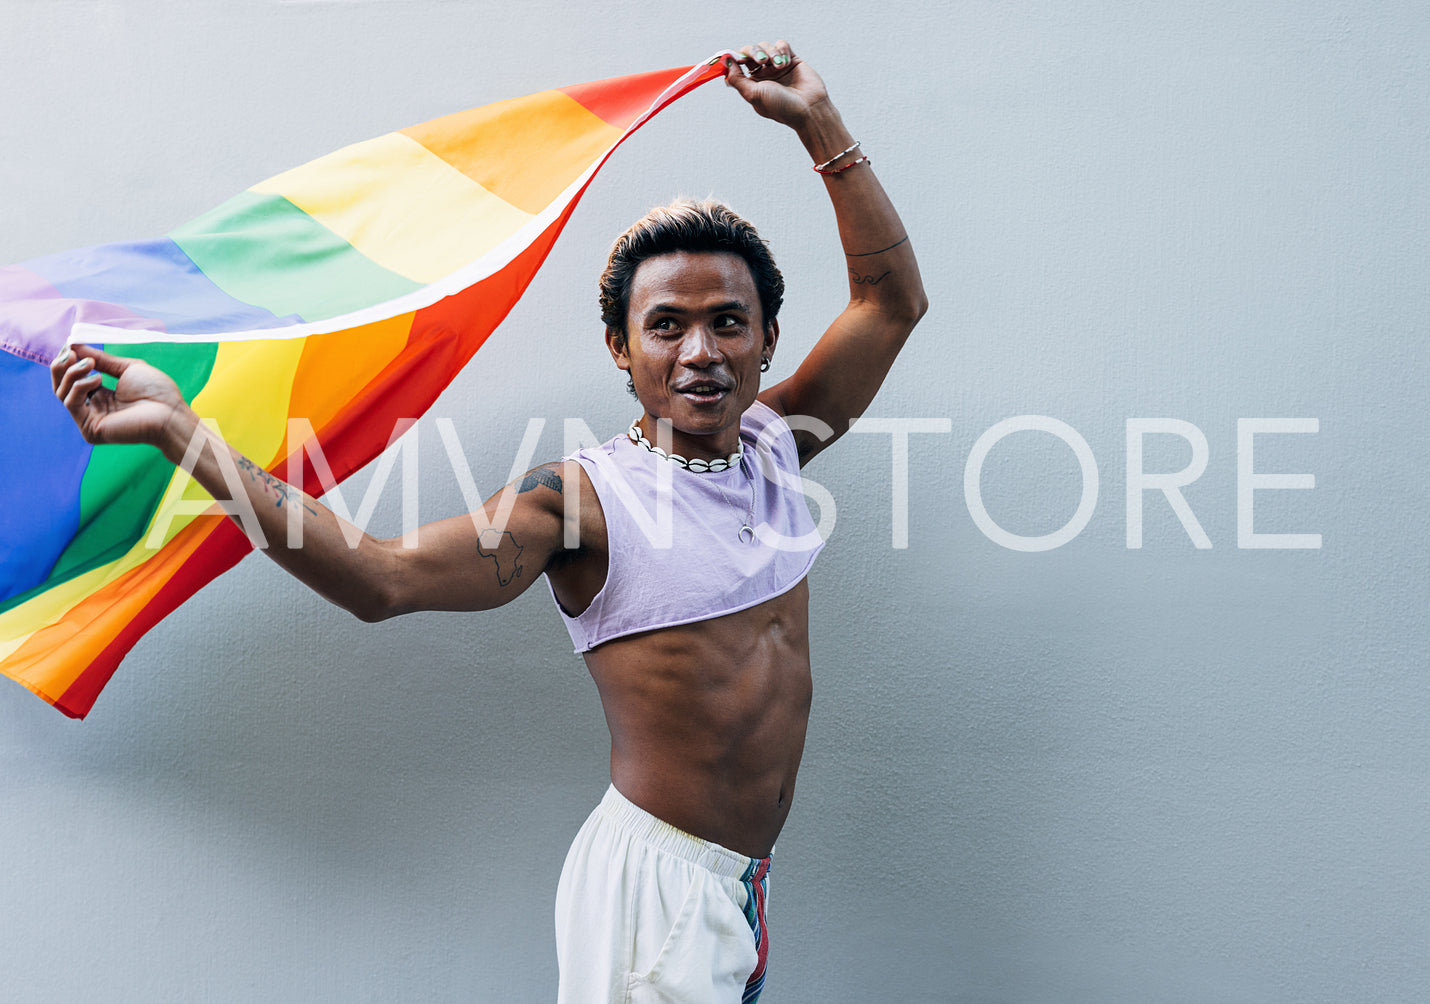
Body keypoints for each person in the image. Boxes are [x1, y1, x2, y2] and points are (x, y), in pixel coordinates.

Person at [51, 40, 925, 1003]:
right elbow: (381, 580)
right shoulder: (580, 503)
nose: (700, 350)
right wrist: (182, 433)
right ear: (620, 350)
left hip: (741, 885)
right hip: (653, 897)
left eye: (727, 320)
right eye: (665, 325)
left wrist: (817, 120)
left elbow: (889, 303)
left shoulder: (774, 442)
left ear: (766, 339)